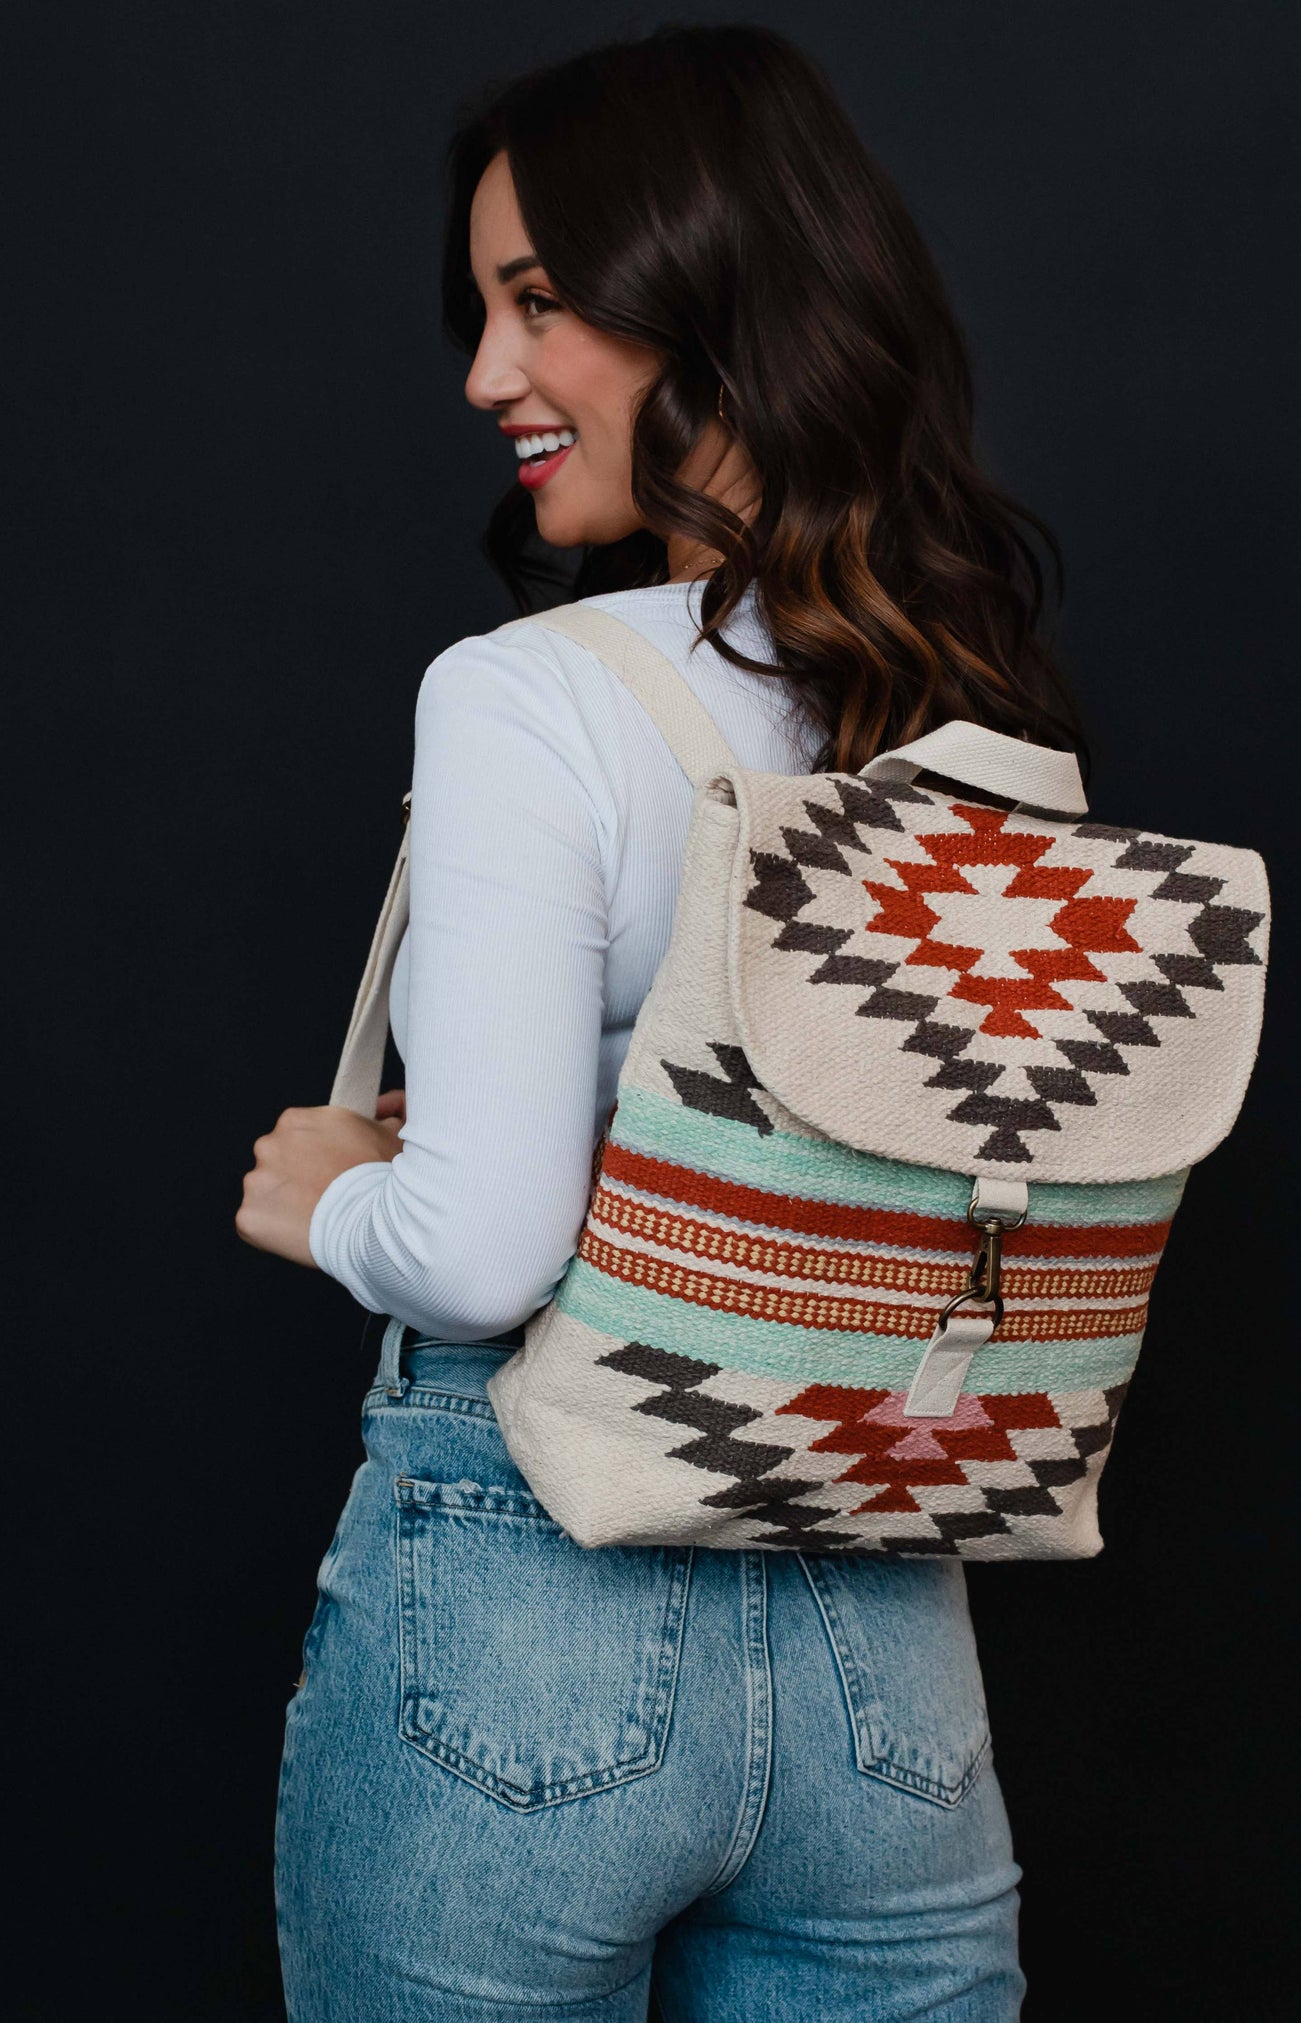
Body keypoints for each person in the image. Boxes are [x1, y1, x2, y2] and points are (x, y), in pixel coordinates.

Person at [238, 25, 1084, 2021]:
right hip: (890, 1638)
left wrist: (329, 1202)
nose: (486, 375)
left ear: (709, 290)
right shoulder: (969, 709)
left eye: (541, 303)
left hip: (536, 1601)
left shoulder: (530, 696)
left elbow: (485, 1247)